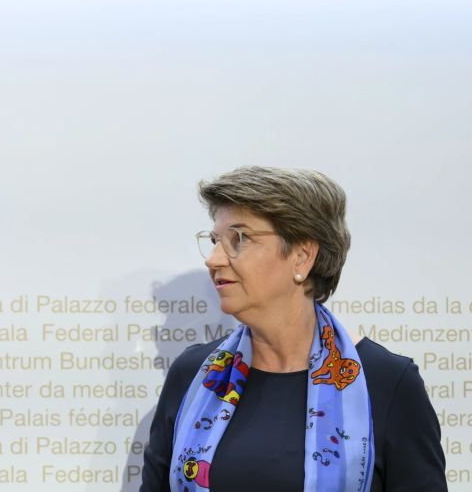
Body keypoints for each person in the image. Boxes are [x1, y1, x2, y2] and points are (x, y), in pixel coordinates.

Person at [140, 167, 446, 492]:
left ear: (302, 256)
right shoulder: (194, 375)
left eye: (238, 239)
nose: (213, 259)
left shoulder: (386, 382)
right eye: (215, 240)